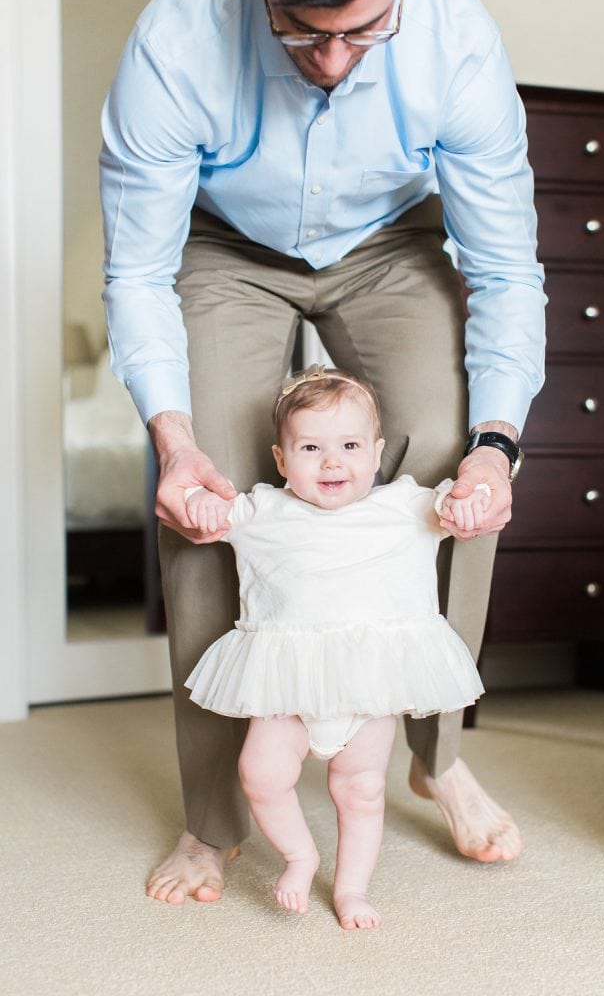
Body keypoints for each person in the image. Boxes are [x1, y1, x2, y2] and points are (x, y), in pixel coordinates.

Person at [99, 0, 546, 905]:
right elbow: (138, 271)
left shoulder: (455, 43)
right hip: (221, 244)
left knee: (449, 478)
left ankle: (437, 756)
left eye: (363, 31)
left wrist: (494, 445)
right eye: (301, 34)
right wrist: (174, 444)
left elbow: (503, 268)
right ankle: (213, 819)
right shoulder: (177, 41)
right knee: (210, 501)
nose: (333, 62)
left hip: (391, 240)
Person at [183, 365, 488, 929]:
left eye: (349, 445)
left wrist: (467, 502)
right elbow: (209, 515)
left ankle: (352, 889)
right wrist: (201, 507)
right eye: (311, 447)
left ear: (376, 454)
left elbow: (459, 503)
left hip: (366, 686)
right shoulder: (262, 508)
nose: (332, 460)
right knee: (261, 773)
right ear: (281, 460)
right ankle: (301, 857)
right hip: (286, 686)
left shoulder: (406, 506)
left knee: (362, 789)